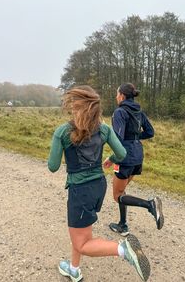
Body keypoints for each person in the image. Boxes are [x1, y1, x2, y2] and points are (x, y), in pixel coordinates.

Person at [48, 85, 151, 282]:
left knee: (83, 243)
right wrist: (110, 158)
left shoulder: (62, 131)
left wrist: (60, 147)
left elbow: (52, 166)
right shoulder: (104, 129)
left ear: (76, 106)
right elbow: (121, 154)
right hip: (99, 186)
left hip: (80, 191)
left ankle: (124, 250)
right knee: (81, 231)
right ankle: (74, 268)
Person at [104, 83, 164, 236]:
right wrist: (135, 137)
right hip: (137, 156)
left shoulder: (119, 112)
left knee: (117, 195)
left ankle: (150, 204)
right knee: (122, 192)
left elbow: (117, 139)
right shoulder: (139, 112)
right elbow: (150, 132)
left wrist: (111, 158)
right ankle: (122, 225)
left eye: (117, 94)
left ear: (122, 96)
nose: (116, 97)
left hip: (124, 157)